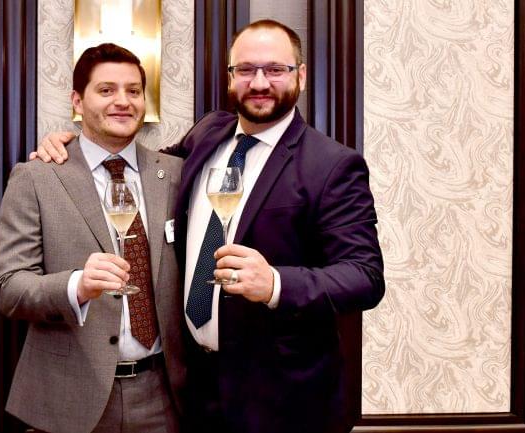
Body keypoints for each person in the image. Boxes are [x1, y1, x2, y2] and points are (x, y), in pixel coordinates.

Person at [34, 20, 384, 433]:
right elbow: (140, 168)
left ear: (301, 77)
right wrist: (77, 144)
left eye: (275, 69)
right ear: (231, 77)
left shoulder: (332, 165)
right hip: (194, 391)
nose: (260, 82)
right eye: (246, 70)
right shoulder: (208, 134)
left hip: (283, 401)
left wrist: (275, 283)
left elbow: (364, 277)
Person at [0, 43, 185, 433]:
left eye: (133, 91)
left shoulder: (177, 174)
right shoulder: (38, 176)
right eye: (106, 90)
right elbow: (8, 288)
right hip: (70, 397)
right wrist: (76, 285)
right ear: (77, 101)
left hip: (165, 397)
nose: (123, 101)